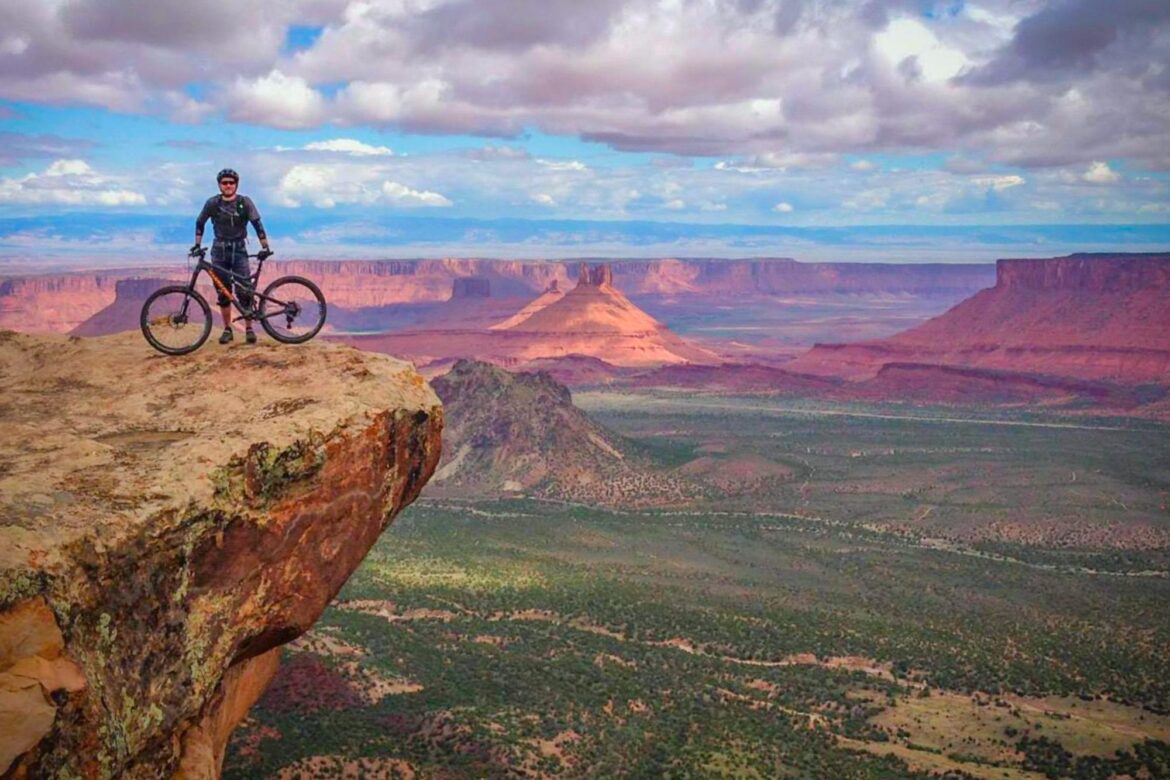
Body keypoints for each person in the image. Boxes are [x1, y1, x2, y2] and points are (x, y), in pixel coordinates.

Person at [191, 168, 272, 344]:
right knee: (223, 291)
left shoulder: (245, 202)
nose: (228, 185)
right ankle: (228, 329)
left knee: (245, 290)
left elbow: (257, 224)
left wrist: (265, 247)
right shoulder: (212, 203)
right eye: (224, 182)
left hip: (239, 250)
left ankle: (249, 328)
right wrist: (197, 244)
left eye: (231, 182)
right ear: (219, 185)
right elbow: (200, 222)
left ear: (236, 184)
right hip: (219, 251)